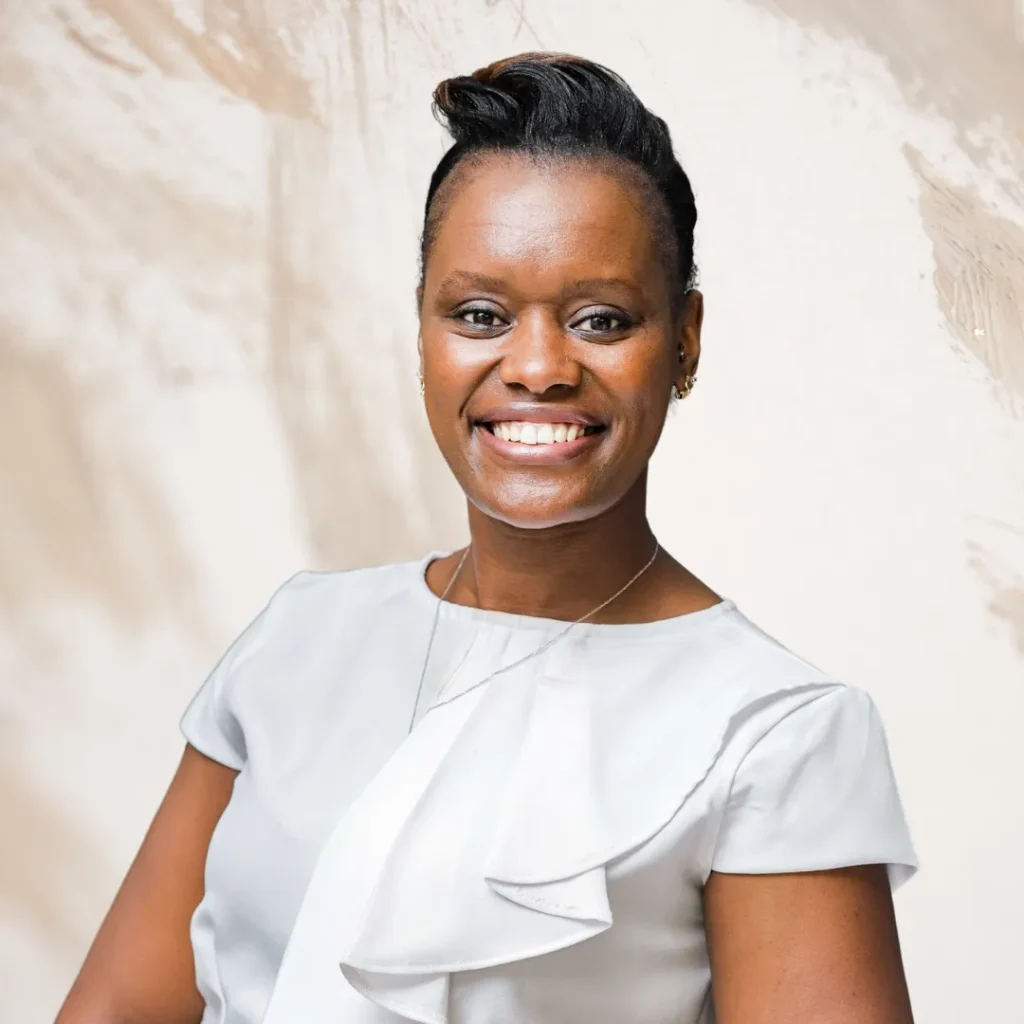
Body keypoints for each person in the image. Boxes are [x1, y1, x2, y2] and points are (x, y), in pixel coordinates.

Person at [58, 52, 918, 1024]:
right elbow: (118, 1007)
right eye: (478, 313)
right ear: (422, 332)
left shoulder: (777, 732)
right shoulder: (298, 637)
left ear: (683, 340)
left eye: (601, 319)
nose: (539, 366)